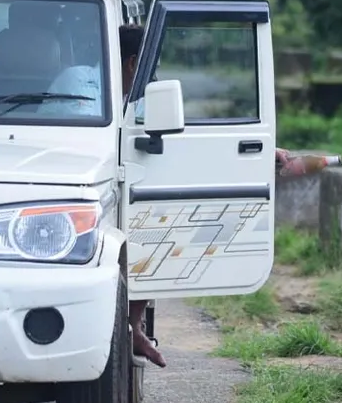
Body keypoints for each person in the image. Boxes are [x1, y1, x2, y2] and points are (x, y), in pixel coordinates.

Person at [117, 25, 308, 366]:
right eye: (150, 68)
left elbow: (181, 141)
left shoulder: (131, 100)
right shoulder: (92, 93)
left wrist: (264, 150)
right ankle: (131, 326)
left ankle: (133, 325)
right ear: (133, 64)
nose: (153, 78)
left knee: (155, 230)